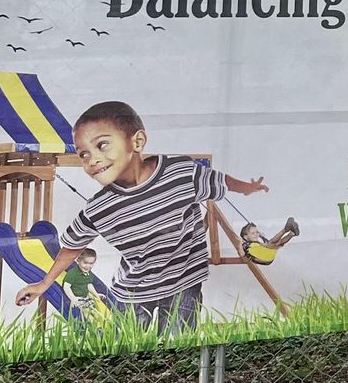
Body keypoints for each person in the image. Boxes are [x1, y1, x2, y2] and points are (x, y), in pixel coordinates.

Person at [15, 100, 268, 333]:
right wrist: (43, 284)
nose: (92, 159)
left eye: (102, 145)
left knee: (179, 343)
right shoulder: (99, 208)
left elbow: (219, 181)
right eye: (84, 154)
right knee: (132, 348)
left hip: (184, 284)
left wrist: (247, 188)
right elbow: (71, 247)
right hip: (134, 292)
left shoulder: (180, 173)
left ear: (137, 142)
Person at [59, 248, 100, 314]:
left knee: (97, 313)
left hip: (85, 298)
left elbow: (88, 285)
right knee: (86, 313)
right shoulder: (73, 273)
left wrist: (96, 295)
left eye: (91, 263)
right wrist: (73, 298)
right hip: (77, 298)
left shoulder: (88, 273)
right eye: (85, 263)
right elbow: (66, 286)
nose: (88, 266)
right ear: (78, 260)